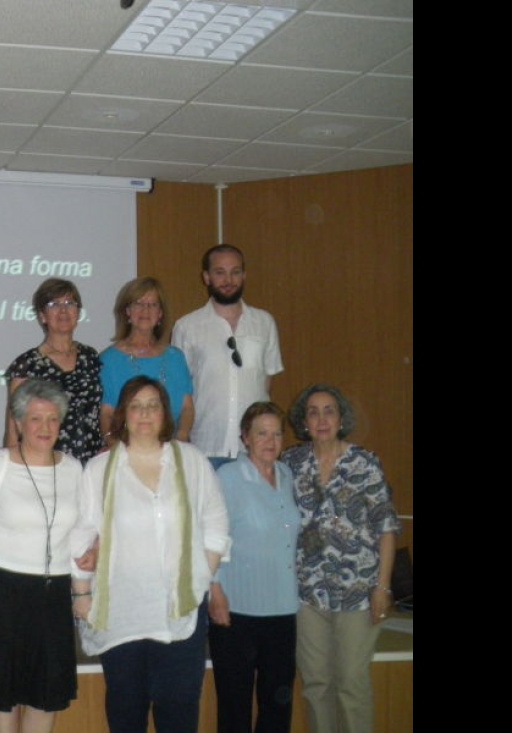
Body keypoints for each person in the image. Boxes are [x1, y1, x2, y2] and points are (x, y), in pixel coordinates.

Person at [72, 374, 230, 733]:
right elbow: (82, 534)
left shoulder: (191, 461)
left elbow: (216, 522)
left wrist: (201, 574)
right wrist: (81, 591)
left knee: (179, 711)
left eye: (153, 405)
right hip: (123, 614)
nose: (144, 414)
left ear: (165, 413)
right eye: (136, 406)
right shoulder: (99, 470)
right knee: (127, 713)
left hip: (180, 614)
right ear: (123, 415)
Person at [0, 378, 89, 733]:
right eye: (36, 418)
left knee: (46, 697)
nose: (45, 427)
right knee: (3, 696)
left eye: (53, 419)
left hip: (52, 598)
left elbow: (82, 534)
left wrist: (85, 578)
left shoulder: (73, 469)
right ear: (19, 422)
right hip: (0, 595)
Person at [282, 384, 400, 733]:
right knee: (316, 683)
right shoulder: (291, 462)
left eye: (329, 410)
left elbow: (387, 529)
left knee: (351, 682)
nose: (321, 419)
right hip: (307, 593)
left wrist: (383, 586)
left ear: (341, 417)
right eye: (313, 412)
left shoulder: (364, 462)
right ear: (303, 421)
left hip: (358, 592)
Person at [208, 402, 300, 733]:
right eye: (262, 433)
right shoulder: (228, 476)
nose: (270, 441)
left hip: (283, 609)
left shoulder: (288, 475)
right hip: (237, 611)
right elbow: (212, 536)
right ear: (245, 437)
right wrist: (214, 590)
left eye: (277, 434)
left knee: (278, 706)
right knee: (235, 709)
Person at [171, 244, 283, 466]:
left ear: (244, 275)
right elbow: (182, 391)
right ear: (206, 277)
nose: (228, 280)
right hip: (205, 447)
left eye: (235, 272)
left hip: (255, 450)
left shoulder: (264, 323)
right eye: (220, 272)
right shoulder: (187, 327)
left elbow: (266, 382)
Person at [3, 277, 104, 463]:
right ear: (42, 316)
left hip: (93, 465)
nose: (63, 310)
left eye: (70, 303)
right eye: (54, 304)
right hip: (46, 465)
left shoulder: (92, 357)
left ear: (78, 312)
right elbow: (13, 431)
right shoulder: (26, 365)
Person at [99, 277, 193, 447]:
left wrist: (180, 441)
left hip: (171, 449)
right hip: (126, 451)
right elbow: (106, 413)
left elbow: (187, 408)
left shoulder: (175, 357)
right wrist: (115, 447)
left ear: (160, 314)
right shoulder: (109, 360)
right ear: (127, 311)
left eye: (153, 304)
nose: (145, 310)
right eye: (139, 303)